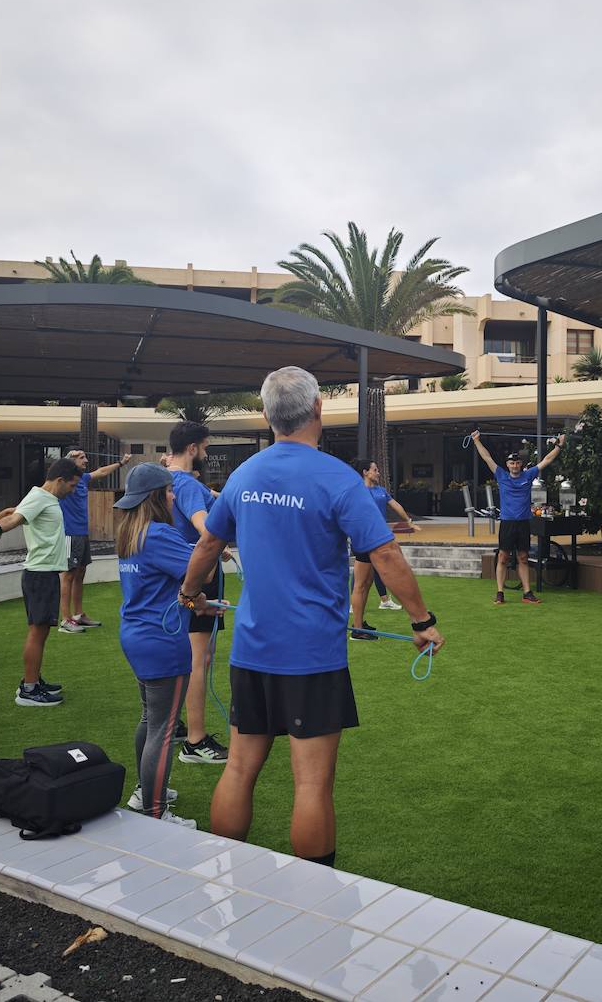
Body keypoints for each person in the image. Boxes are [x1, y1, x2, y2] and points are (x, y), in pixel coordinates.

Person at [181, 366, 444, 866]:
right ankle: (314, 896)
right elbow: (386, 555)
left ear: (266, 415)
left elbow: (209, 543)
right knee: (312, 781)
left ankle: (218, 877)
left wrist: (189, 593)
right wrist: (421, 622)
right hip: (312, 658)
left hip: (254, 653)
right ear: (318, 409)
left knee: (239, 767)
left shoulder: (245, 475)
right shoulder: (337, 479)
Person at [113, 462, 197, 827]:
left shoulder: (130, 532)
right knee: (163, 728)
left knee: (150, 719)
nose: (173, 495)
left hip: (137, 634)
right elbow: (199, 571)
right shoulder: (160, 534)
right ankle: (155, 810)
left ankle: (146, 792)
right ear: (156, 497)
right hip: (162, 641)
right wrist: (211, 548)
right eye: (168, 491)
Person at [0, 458, 81, 707]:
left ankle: (33, 680)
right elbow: (17, 518)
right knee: (37, 631)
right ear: (60, 480)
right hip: (39, 574)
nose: (73, 490)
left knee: (41, 632)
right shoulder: (40, 497)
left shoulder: (45, 499)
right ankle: (28, 690)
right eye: (72, 486)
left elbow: (13, 511)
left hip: (45, 573)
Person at [160, 422, 229, 765]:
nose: (205, 453)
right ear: (191, 448)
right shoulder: (185, 483)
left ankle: (176, 727)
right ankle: (195, 741)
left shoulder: (166, 479)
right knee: (199, 660)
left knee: (187, 656)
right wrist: (218, 547)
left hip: (180, 572)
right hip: (197, 576)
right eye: (203, 447)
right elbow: (205, 530)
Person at [468, 431, 565, 604]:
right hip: (507, 523)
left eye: (517, 463)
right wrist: (476, 441)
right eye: (512, 463)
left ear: (521, 465)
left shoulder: (528, 475)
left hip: (523, 523)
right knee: (503, 557)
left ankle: (527, 593)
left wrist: (559, 445)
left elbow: (547, 460)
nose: (514, 465)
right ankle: (500, 593)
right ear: (508, 465)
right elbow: (487, 457)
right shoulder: (501, 475)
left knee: (523, 558)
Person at [58, 447, 130, 633]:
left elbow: (102, 472)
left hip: (82, 533)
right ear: (70, 462)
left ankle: (78, 614)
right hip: (69, 534)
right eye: (81, 458)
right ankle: (65, 620)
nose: (86, 460)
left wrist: (121, 463)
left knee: (80, 573)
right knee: (68, 575)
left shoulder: (82, 479)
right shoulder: (62, 481)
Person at [348, 457, 418, 639]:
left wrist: (408, 521)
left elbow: (396, 506)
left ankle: (360, 625)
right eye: (375, 470)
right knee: (360, 585)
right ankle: (356, 630)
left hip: (377, 541)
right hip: (364, 540)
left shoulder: (381, 491)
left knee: (367, 584)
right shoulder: (358, 491)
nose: (378, 473)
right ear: (365, 472)